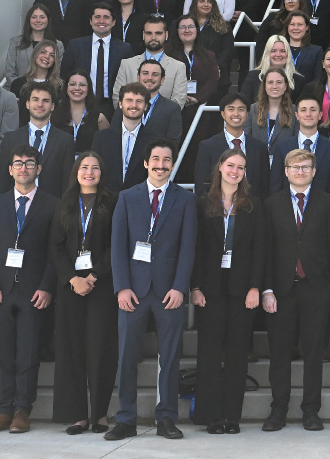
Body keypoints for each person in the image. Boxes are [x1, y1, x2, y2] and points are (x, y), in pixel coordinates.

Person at [104, 139, 197, 441]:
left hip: (169, 292)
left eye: (166, 160)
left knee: (169, 358)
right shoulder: (127, 197)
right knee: (127, 357)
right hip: (134, 291)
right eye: (155, 159)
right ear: (146, 163)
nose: (161, 165)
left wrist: (180, 288)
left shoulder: (185, 200)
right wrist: (121, 288)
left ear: (173, 164)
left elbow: (188, 248)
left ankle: (166, 418)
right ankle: (125, 419)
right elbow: (117, 246)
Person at [258, 148, 330, 431]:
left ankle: (311, 410)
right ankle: (278, 409)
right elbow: (265, 250)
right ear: (285, 171)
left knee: (314, 352)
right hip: (280, 290)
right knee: (279, 352)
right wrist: (266, 289)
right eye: (295, 167)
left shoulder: (328, 203)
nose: (300, 171)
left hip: (316, 288)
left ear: (314, 171)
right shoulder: (271, 204)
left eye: (306, 167)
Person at [0, 144, 57, 433]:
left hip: (34, 292)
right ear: (10, 170)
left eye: (30, 163)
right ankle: (2, 410)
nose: (24, 168)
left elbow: (55, 251)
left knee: (28, 353)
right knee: (1, 353)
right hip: (0, 290)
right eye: (19, 164)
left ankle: (22, 410)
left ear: (39, 169)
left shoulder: (52, 204)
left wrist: (47, 287)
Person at [190, 149, 263, 434]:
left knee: (237, 353)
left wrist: (255, 286)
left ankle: (232, 416)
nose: (235, 171)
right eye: (231, 165)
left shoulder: (252, 205)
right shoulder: (202, 203)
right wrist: (195, 286)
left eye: (241, 167)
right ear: (220, 166)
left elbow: (259, 249)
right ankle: (211, 417)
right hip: (209, 288)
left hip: (242, 288)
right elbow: (195, 247)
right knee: (209, 353)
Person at [47, 152, 117, 435]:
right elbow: (55, 246)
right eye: (84, 167)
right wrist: (72, 278)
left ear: (102, 173)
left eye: (95, 168)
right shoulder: (63, 203)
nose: (89, 172)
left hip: (102, 285)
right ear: (76, 172)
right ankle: (77, 415)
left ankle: (99, 414)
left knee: (100, 349)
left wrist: (94, 275)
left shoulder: (112, 202)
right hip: (70, 288)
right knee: (71, 350)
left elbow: (116, 244)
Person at [0, 81, 75, 197]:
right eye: (35, 99)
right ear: (27, 104)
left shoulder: (65, 141)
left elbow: (67, 182)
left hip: (51, 205)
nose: (40, 104)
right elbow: (3, 180)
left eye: (45, 101)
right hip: (17, 204)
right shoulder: (11, 139)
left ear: (52, 106)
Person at [193, 93, 269, 197]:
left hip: (252, 205)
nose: (236, 114)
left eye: (241, 109)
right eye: (231, 109)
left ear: (247, 114)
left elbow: (265, 186)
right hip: (217, 204)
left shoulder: (259, 148)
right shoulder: (208, 146)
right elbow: (201, 186)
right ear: (223, 114)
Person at [270, 96, 330, 194]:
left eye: (313, 110)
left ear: (320, 115)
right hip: (287, 202)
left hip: (322, 202)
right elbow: (276, 185)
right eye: (303, 110)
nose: (308, 114)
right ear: (297, 115)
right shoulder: (282, 147)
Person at [0, 5, 67, 85]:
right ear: (29, 19)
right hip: (19, 90)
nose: (38, 20)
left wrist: (44, 90)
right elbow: (10, 73)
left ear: (48, 19)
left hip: (46, 90)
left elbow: (56, 73)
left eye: (42, 17)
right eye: (34, 17)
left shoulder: (57, 45)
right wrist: (21, 88)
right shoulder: (16, 42)